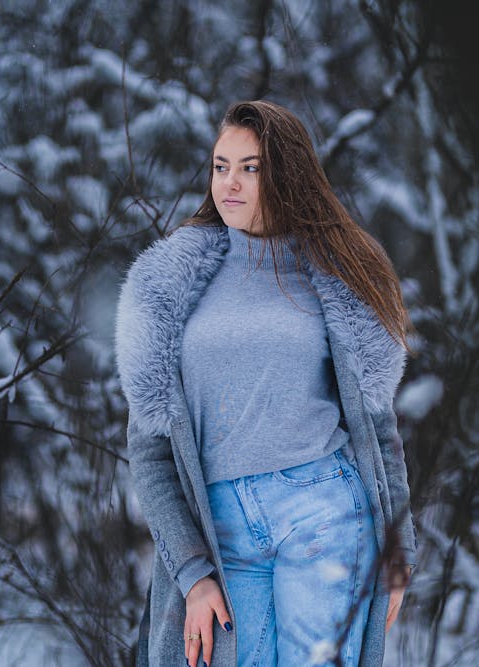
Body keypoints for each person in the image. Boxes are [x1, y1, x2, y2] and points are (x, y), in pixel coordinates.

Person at [115, 100, 418, 667]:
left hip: (324, 513)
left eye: (250, 168)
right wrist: (191, 572)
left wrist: (400, 545)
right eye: (220, 165)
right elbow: (150, 451)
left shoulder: (335, 273)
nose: (229, 183)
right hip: (220, 529)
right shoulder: (167, 285)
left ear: (286, 174)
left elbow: (378, 425)